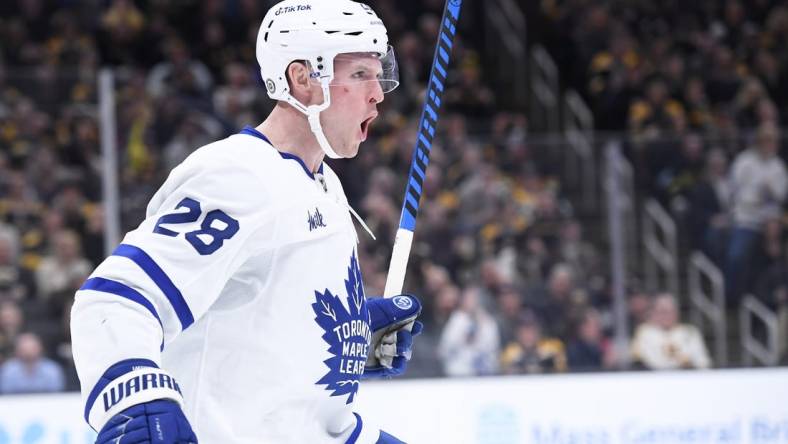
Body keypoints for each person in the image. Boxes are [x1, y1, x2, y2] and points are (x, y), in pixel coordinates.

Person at [70, 1, 423, 443]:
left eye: (379, 73)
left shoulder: (324, 186)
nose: (378, 93)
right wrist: (136, 399)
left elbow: (268, 353)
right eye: (359, 75)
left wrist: (345, 339)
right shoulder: (242, 175)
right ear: (303, 79)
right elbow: (114, 302)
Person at [630, 293, 711, 370]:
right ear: (653, 313)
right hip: (654, 378)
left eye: (670, 311)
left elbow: (702, 362)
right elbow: (640, 360)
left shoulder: (689, 331)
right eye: (662, 311)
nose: (666, 316)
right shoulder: (644, 331)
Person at [0, 332, 65, 394]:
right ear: (17, 351)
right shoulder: (8, 370)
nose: (29, 353)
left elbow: (57, 395)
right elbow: (6, 396)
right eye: (24, 350)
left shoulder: (52, 370)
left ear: (40, 349)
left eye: (32, 349)